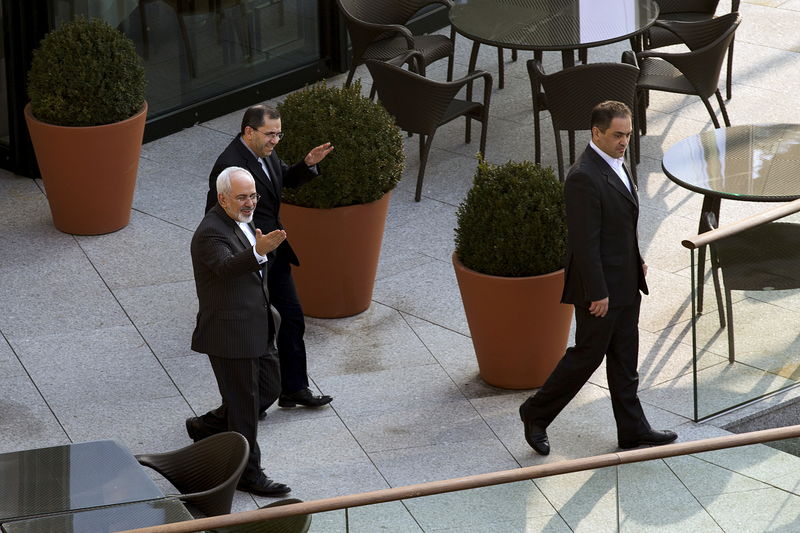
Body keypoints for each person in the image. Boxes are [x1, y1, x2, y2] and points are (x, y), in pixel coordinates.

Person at [518, 101, 677, 456]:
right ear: (596, 133)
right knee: (586, 356)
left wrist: (637, 261)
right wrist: (598, 292)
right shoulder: (583, 177)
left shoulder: (617, 164)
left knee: (625, 358)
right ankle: (535, 412)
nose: (624, 142)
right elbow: (584, 244)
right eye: (618, 135)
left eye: (628, 135)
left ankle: (633, 430)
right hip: (600, 290)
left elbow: (621, 226)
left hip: (625, 281)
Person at [206, 104, 334, 414]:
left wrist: (306, 165)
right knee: (255, 334)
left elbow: (282, 180)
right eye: (270, 134)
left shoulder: (265, 153)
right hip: (250, 260)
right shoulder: (229, 168)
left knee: (290, 318)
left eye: (279, 133)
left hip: (273, 253)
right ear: (249, 131)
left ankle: (294, 389)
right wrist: (247, 254)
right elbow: (217, 218)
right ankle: (250, 401)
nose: (275, 140)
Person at [188, 166, 291, 496]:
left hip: (258, 325)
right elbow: (225, 268)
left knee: (270, 389)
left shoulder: (244, 222)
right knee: (246, 410)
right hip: (230, 335)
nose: (250, 203)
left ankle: (208, 425)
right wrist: (259, 251)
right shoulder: (210, 232)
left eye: (253, 196)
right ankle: (249, 474)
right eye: (243, 197)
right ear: (222, 198)